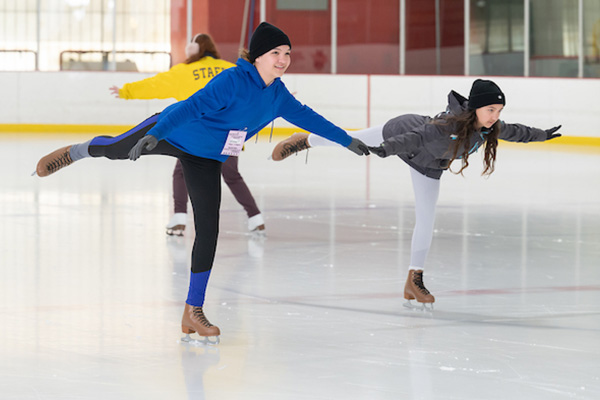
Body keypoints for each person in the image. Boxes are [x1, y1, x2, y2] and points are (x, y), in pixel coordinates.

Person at [34, 22, 369, 343]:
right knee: (117, 149)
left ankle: (193, 310)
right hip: (175, 131)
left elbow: (311, 118)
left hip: (207, 158)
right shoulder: (232, 81)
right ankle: (77, 152)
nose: (282, 59)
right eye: (275, 53)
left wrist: (346, 139)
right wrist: (156, 134)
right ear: (257, 56)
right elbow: (191, 107)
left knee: (208, 228)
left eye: (287, 53)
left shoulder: (278, 95)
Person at [271, 79, 562, 310]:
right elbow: (417, 137)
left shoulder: (487, 128)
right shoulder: (446, 126)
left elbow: (516, 131)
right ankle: (305, 140)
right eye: (491, 110)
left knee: (426, 219)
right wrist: (386, 148)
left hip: (427, 165)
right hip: (403, 132)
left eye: (499, 111)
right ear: (475, 108)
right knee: (353, 141)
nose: (495, 117)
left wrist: (542, 134)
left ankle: (414, 279)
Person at [110, 33, 266, 237]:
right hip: (232, 132)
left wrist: (126, 91)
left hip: (198, 133)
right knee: (231, 175)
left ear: (194, 49)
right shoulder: (230, 69)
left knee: (181, 172)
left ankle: (180, 218)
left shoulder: (185, 71)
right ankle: (256, 218)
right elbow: (258, 85)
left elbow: (156, 84)